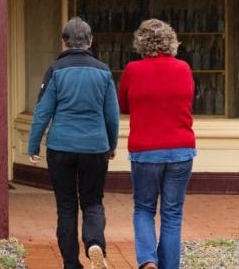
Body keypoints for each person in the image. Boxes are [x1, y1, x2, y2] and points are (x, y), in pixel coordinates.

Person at [29, 17, 119, 269]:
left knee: (66, 205)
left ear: (64, 42)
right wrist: (111, 145)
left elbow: (42, 111)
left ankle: (71, 263)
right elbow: (111, 114)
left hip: (61, 147)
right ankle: (95, 244)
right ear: (90, 41)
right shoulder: (103, 71)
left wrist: (34, 145)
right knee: (92, 201)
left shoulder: (55, 70)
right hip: (95, 147)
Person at [118, 19, 196, 269]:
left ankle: (148, 260)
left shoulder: (133, 70)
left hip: (145, 150)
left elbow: (123, 105)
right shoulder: (184, 68)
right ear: (171, 42)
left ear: (141, 43)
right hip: (181, 149)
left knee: (143, 208)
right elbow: (189, 100)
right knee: (172, 214)